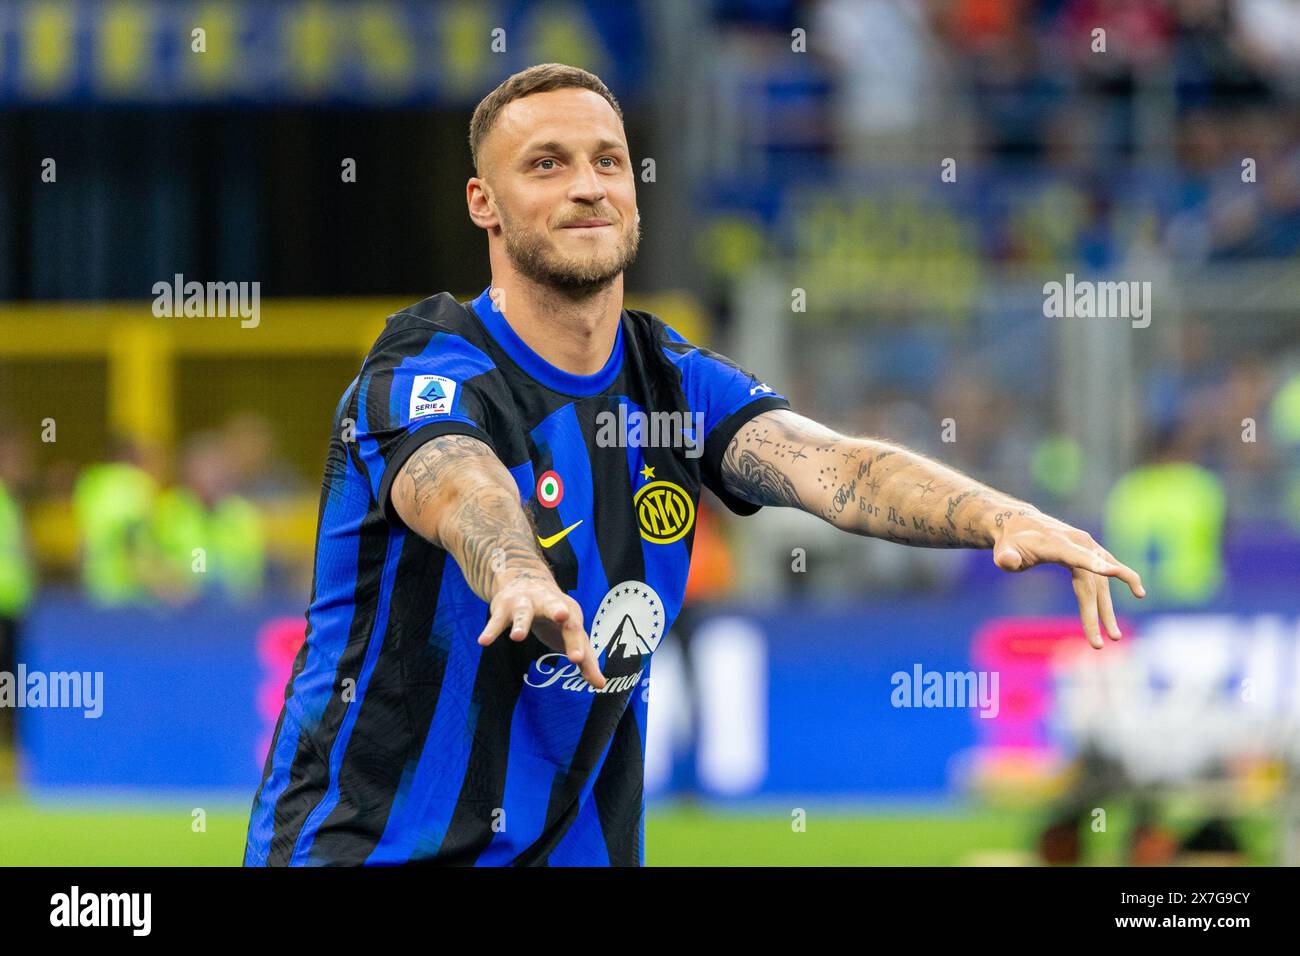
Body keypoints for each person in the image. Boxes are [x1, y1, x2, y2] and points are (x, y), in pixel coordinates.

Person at [244, 63, 1144, 867]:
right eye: (546, 164)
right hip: (367, 846)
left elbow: (834, 468)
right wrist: (515, 571)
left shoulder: (674, 382)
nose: (588, 187)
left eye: (608, 160)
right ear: (484, 202)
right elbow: (452, 478)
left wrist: (999, 516)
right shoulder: (424, 365)